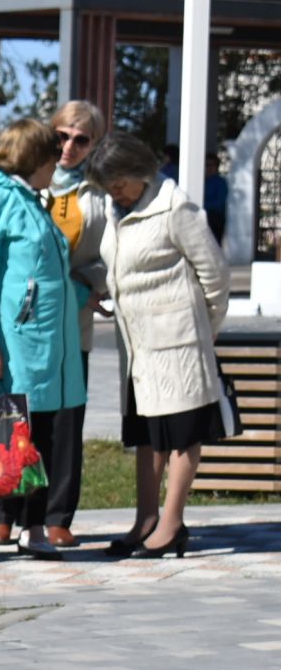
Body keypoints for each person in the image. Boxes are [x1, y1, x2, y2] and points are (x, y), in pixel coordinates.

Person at [89, 132, 232, 559]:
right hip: (137, 347)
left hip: (178, 344)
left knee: (182, 434)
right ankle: (146, 519)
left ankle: (171, 525)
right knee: (146, 435)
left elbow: (216, 274)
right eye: (108, 186)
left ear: (140, 172)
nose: (115, 193)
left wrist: (203, 330)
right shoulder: (115, 210)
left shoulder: (174, 207)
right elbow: (119, 265)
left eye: (119, 183)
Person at [0, 118, 82, 560]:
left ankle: (35, 527)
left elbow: (41, 274)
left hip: (42, 343)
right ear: (36, 160)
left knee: (39, 434)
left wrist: (85, 293)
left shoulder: (28, 199)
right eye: (52, 160)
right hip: (8, 342)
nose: (56, 168)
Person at [40, 100, 112, 548]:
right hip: (25, 323)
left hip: (75, 322)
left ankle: (57, 516)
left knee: (67, 420)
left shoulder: (100, 195)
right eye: (62, 135)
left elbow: (111, 256)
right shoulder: (28, 186)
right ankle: (4, 510)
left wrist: (88, 290)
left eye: (81, 139)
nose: (69, 146)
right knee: (19, 414)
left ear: (94, 144)